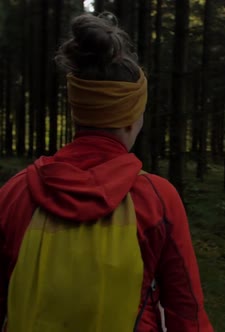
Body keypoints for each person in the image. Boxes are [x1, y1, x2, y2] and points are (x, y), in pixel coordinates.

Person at [0, 13, 213, 332]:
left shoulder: (14, 193)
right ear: (131, 118)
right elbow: (186, 312)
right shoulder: (157, 198)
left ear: (77, 113)